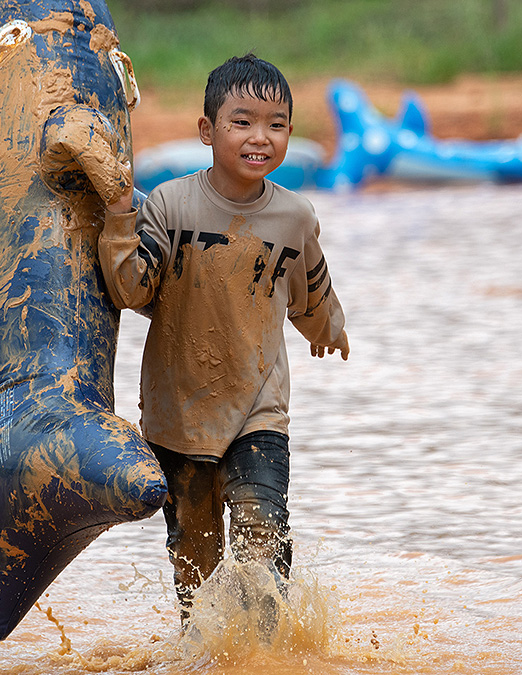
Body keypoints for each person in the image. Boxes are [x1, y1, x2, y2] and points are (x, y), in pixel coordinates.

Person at [97, 53, 349, 622]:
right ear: (208, 131)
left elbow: (312, 288)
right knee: (196, 569)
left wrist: (329, 327)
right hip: (178, 414)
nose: (260, 137)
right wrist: (117, 216)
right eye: (242, 122)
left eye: (277, 124)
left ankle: (269, 655)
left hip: (260, 408)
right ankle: (207, 648)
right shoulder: (170, 206)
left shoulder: (295, 217)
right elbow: (132, 290)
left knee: (262, 547)